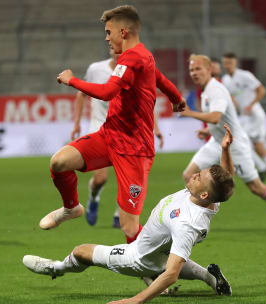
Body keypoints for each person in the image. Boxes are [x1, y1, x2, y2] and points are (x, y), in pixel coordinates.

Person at [23, 125, 236, 303]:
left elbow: (171, 275)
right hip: (160, 252)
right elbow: (225, 183)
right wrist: (225, 150)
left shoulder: (187, 223)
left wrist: (134, 301)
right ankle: (211, 278)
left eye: (198, 177)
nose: (194, 176)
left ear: (205, 194)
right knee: (169, 259)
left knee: (81, 252)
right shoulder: (208, 200)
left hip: (139, 258)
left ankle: (56, 268)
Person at [40, 5, 185, 244]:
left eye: (109, 32)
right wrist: (176, 98)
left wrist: (71, 80)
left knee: (130, 228)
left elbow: (107, 92)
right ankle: (71, 208)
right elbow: (160, 77)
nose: (106, 38)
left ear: (124, 31)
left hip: (135, 150)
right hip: (110, 135)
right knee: (59, 162)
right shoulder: (142, 55)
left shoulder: (133, 57)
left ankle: (158, 277)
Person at [180, 54, 266, 237]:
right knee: (188, 175)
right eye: (191, 70)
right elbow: (219, 120)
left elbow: (216, 116)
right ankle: (193, 219)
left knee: (255, 187)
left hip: (234, 145)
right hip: (216, 142)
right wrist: (209, 131)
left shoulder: (215, 89)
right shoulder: (205, 91)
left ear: (209, 70)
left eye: (198, 69)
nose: (194, 73)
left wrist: (189, 113)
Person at [71, 49, 122, 228]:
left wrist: (155, 127)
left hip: (124, 130)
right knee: (100, 178)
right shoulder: (96, 69)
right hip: (99, 126)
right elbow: (81, 93)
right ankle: (94, 197)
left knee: (126, 176)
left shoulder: (133, 71)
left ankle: (119, 214)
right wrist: (77, 123)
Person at [221, 52, 266, 187]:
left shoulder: (245, 75)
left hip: (255, 115)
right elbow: (232, 100)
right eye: (226, 63)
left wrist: (251, 105)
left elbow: (262, 90)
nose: (228, 65)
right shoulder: (226, 80)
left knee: (239, 141)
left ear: (235, 63)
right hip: (245, 117)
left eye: (230, 63)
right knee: (259, 148)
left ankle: (263, 168)